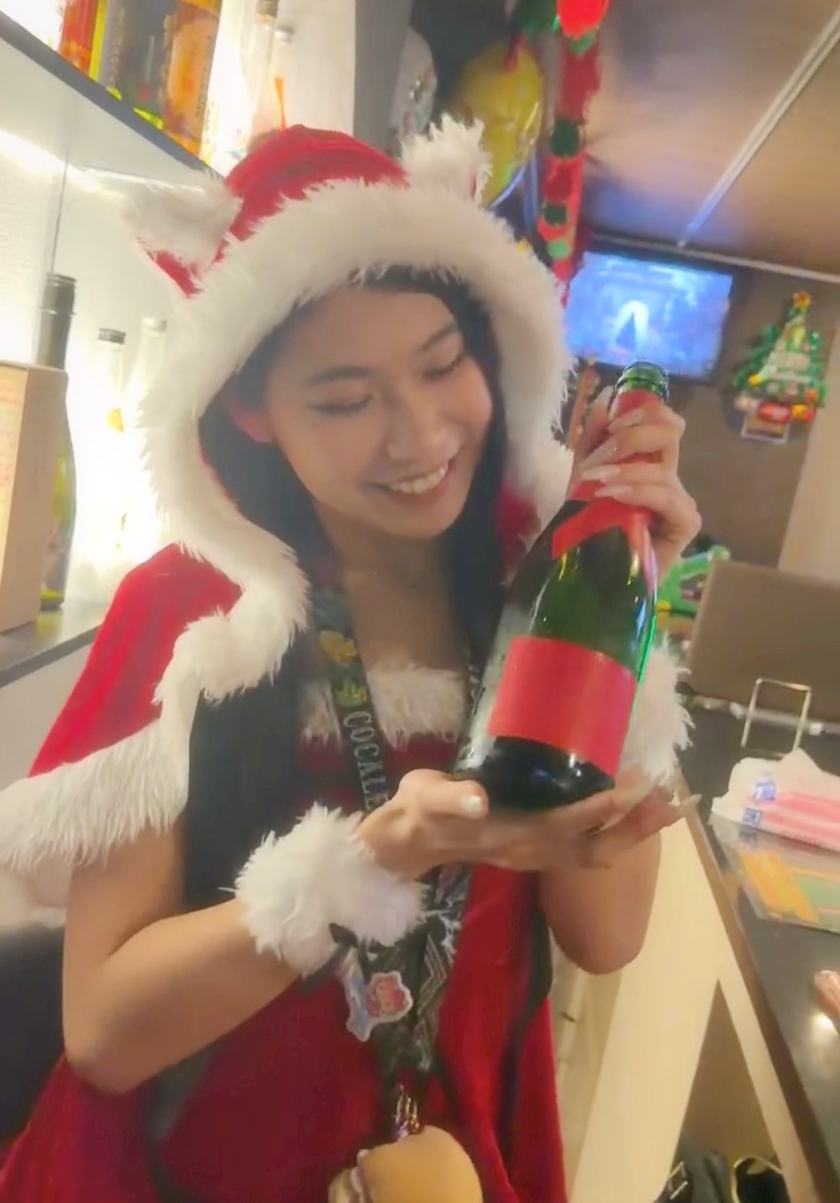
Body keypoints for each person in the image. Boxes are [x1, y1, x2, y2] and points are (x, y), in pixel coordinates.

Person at [0, 121, 699, 1203]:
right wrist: (372, 861)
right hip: (193, 1169)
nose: (418, 436)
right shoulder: (193, 619)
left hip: (449, 1155)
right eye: (344, 398)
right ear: (248, 408)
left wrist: (626, 601)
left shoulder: (526, 584)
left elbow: (605, 935)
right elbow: (104, 1034)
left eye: (441, 365)